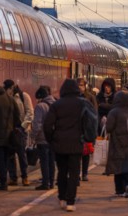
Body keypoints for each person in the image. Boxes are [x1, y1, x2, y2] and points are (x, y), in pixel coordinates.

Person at [44, 79, 84, 212]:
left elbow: (47, 125)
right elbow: (88, 122)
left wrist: (51, 139)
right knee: (73, 174)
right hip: (76, 143)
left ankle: (62, 199)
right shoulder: (81, 104)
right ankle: (71, 203)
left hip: (60, 144)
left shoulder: (56, 105)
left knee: (62, 172)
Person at [3, 79, 34, 186]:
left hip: (20, 130)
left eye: (8, 89)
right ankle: (13, 177)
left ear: (12, 87)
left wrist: (22, 126)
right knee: (10, 154)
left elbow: (30, 112)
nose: (7, 92)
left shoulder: (24, 96)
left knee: (21, 154)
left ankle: (25, 176)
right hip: (10, 130)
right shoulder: (6, 98)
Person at [105, 90, 128, 197]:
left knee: (118, 167)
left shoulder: (114, 112)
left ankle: (119, 190)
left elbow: (109, 128)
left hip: (117, 143)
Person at [31, 85, 56, 190]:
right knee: (51, 161)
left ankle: (45, 183)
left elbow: (37, 124)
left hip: (42, 138)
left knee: (44, 162)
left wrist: (33, 136)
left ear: (40, 96)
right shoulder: (55, 103)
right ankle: (51, 182)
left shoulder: (40, 106)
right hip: (53, 138)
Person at [78, 77, 97, 182]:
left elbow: (94, 114)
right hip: (77, 129)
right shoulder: (74, 97)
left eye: (81, 85)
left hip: (87, 129)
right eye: (78, 85)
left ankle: (84, 173)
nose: (80, 87)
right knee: (77, 154)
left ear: (85, 86)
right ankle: (77, 174)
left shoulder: (90, 97)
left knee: (86, 153)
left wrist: (93, 131)